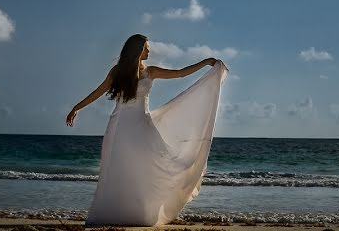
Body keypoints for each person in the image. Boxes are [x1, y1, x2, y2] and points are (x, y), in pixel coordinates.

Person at [66, 33, 228, 227]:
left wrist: (205, 63)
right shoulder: (117, 72)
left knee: (151, 166)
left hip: (142, 125)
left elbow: (180, 73)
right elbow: (98, 92)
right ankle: (114, 214)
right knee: (119, 171)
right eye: (146, 47)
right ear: (138, 50)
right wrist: (77, 107)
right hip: (119, 128)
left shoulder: (150, 72)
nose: (149, 50)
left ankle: (141, 213)